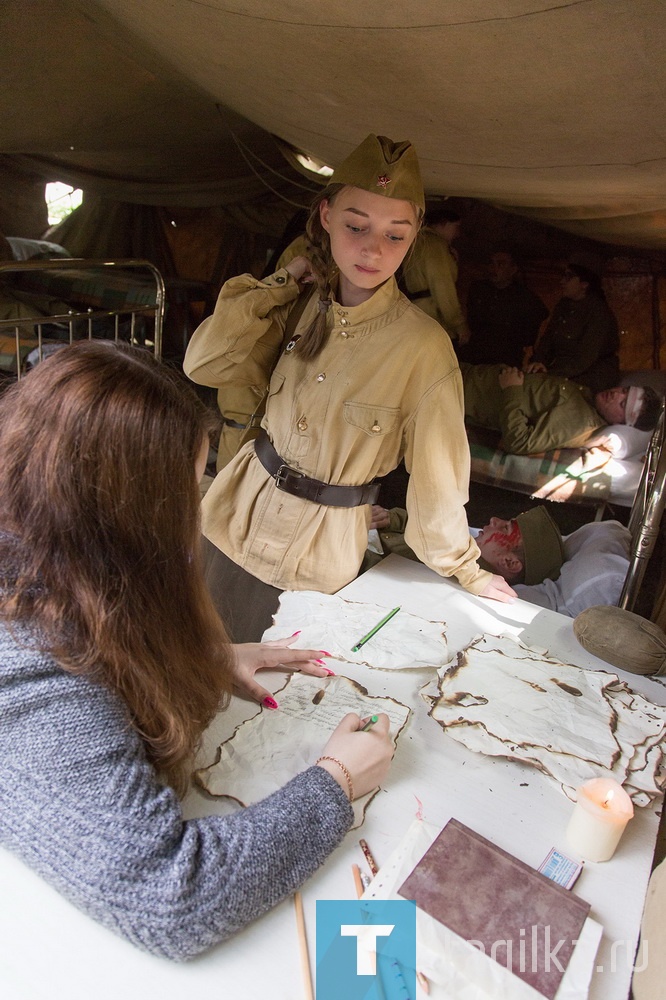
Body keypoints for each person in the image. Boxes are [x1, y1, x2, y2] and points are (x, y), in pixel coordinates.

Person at [0, 341, 394, 961]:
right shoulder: (30, 658)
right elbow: (171, 897)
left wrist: (201, 658)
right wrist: (335, 781)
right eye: (188, 486)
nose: (197, 507)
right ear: (130, 506)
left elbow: (101, 633)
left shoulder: (44, 547)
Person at [184, 134, 515, 643]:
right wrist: (284, 281)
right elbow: (202, 364)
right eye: (356, 226)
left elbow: (439, 473)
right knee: (189, 659)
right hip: (232, 519)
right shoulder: (294, 302)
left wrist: (466, 569)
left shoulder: (422, 348)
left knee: (268, 704)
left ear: (417, 236)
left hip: (315, 562)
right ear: (325, 216)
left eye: (395, 236)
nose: (373, 249)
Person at [367, 505, 632, 617]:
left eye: (504, 529)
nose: (493, 521)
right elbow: (434, 533)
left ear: (509, 563)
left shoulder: (460, 576)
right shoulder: (466, 547)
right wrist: (395, 518)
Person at [460, 362, 661, 454]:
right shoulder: (588, 400)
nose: (616, 394)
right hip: (470, 375)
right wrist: (539, 378)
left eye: (623, 403)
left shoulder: (578, 423)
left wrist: (512, 390)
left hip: (464, 393)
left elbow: (519, 442)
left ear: (620, 422)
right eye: (625, 390)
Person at [526, 257, 620, 393]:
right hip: (562, 370)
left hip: (590, 375)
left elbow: (584, 359)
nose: (562, 281)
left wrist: (549, 374)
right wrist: (537, 363)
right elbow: (548, 340)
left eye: (569, 277)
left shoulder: (598, 312)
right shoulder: (563, 306)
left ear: (584, 283)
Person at [463, 248, 548, 367]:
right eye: (492, 263)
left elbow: (538, 317)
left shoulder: (524, 297)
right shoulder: (479, 289)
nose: (494, 268)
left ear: (513, 269)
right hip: (477, 355)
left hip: (506, 359)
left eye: (501, 264)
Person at [400, 207, 471, 346]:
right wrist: (458, 322)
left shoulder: (418, 242)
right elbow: (442, 284)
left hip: (416, 313)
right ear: (443, 224)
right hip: (432, 315)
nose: (457, 233)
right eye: (456, 227)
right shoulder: (435, 245)